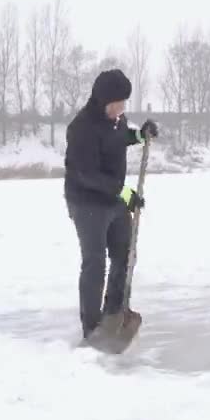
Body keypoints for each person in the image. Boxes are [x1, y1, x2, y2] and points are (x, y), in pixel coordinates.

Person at [64, 68, 158, 342]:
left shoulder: (116, 121)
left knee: (125, 254)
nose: (120, 109)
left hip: (114, 199)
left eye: (123, 104)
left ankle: (115, 311)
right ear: (102, 100)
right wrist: (124, 193)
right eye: (115, 103)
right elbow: (86, 174)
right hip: (86, 202)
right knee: (95, 262)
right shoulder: (81, 128)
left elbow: (118, 138)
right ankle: (92, 327)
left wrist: (140, 136)